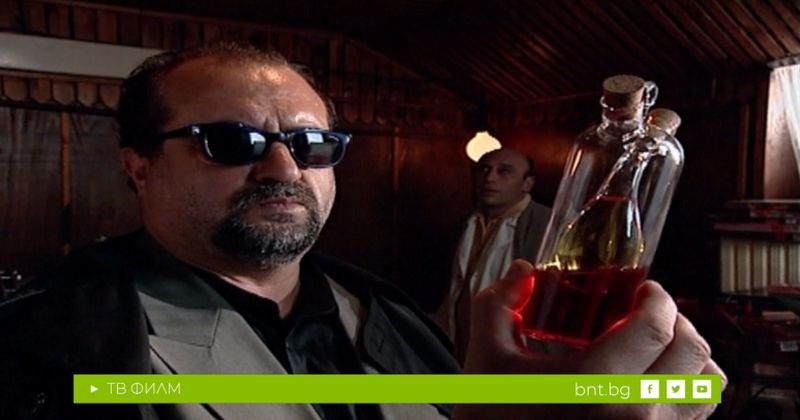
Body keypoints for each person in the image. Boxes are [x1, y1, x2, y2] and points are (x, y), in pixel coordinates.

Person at [0, 42, 723, 420]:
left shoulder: (387, 315)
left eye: (312, 145)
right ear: (138, 167)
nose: (284, 168)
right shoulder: (50, 347)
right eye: (232, 142)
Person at [435, 148, 551, 360]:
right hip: (462, 350)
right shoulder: (465, 223)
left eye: (504, 171)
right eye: (484, 170)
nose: (490, 178)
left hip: (518, 356)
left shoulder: (546, 226)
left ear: (527, 183)